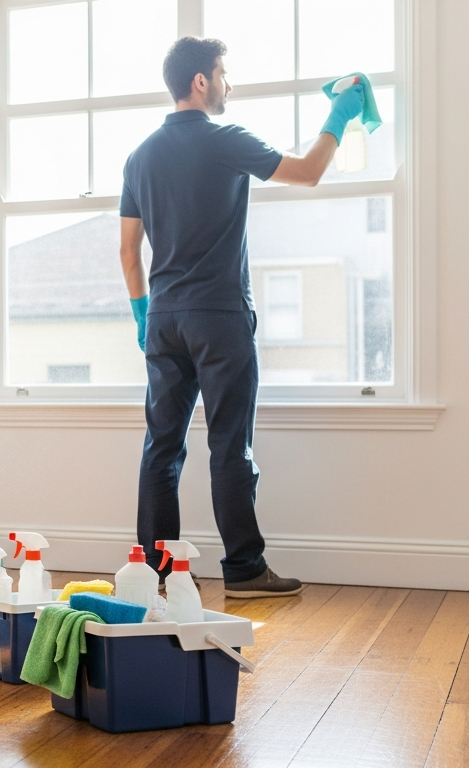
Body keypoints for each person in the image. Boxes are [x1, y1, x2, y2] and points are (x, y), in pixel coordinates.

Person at [118, 37, 364, 598]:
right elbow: (307, 171)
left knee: (162, 447)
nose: (229, 84)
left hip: (164, 319)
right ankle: (245, 571)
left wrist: (141, 315)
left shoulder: (140, 156)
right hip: (219, 318)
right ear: (201, 82)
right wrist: (340, 113)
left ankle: (153, 576)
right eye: (224, 74)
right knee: (230, 446)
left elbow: (129, 252)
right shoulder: (224, 140)